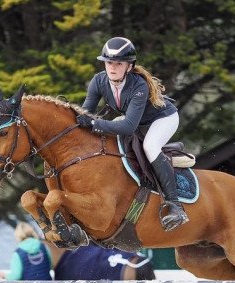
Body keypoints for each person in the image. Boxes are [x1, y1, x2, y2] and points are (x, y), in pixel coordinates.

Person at [76, 36, 189, 232]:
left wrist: (93, 123)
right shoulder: (98, 81)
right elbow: (85, 114)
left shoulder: (139, 86)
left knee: (150, 146)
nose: (112, 67)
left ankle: (175, 205)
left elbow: (128, 126)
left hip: (162, 119)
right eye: (109, 62)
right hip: (137, 121)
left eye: (118, 63)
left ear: (129, 66)